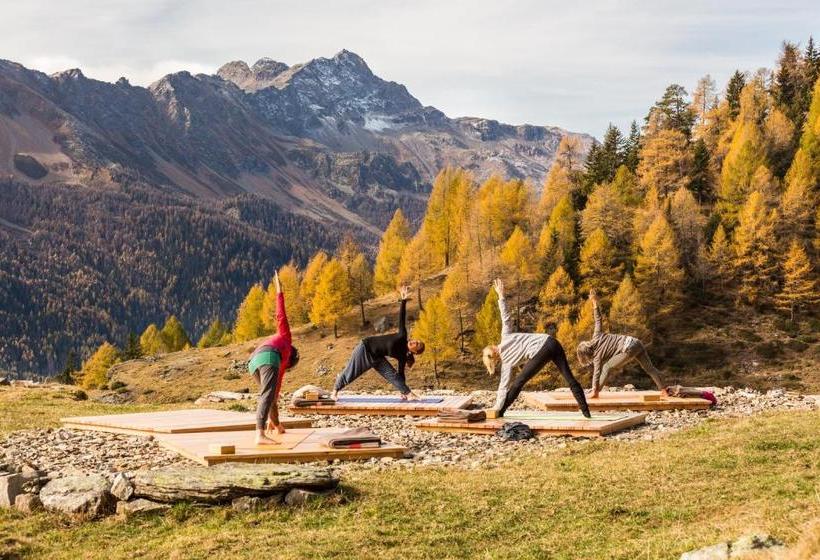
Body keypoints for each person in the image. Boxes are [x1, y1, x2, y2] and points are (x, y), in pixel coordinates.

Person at [482, 279, 590, 418]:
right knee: (569, 378)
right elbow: (505, 317)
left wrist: (497, 407)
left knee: (518, 383)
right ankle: (586, 413)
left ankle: (501, 412)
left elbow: (503, 387)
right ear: (494, 350)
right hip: (552, 342)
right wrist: (501, 296)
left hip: (542, 350)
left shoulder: (506, 364)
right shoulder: (505, 336)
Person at [331, 286, 425, 400]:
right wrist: (403, 300)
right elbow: (402, 318)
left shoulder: (403, 357)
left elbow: (400, 374)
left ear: (414, 351)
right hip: (366, 349)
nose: (414, 341)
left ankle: (407, 394)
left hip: (378, 357)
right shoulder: (402, 336)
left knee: (393, 375)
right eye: (416, 340)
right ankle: (335, 391)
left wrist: (403, 390)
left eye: (417, 344)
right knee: (352, 373)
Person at [576, 289, 666, 398]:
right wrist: (594, 303)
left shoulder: (596, 357)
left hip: (628, 348)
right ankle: (663, 389)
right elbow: (598, 319)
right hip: (636, 342)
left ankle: (595, 392)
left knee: (607, 367)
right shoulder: (596, 335)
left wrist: (594, 388)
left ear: (586, 354)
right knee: (649, 368)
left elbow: (596, 373)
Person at [247, 271, 300, 445]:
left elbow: (274, 399)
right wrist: (279, 292)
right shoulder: (286, 341)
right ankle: (259, 435)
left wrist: (277, 425)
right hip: (268, 355)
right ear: (291, 357)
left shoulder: (280, 364)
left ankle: (270, 427)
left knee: (268, 396)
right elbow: (281, 316)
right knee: (266, 395)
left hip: (253, 361)